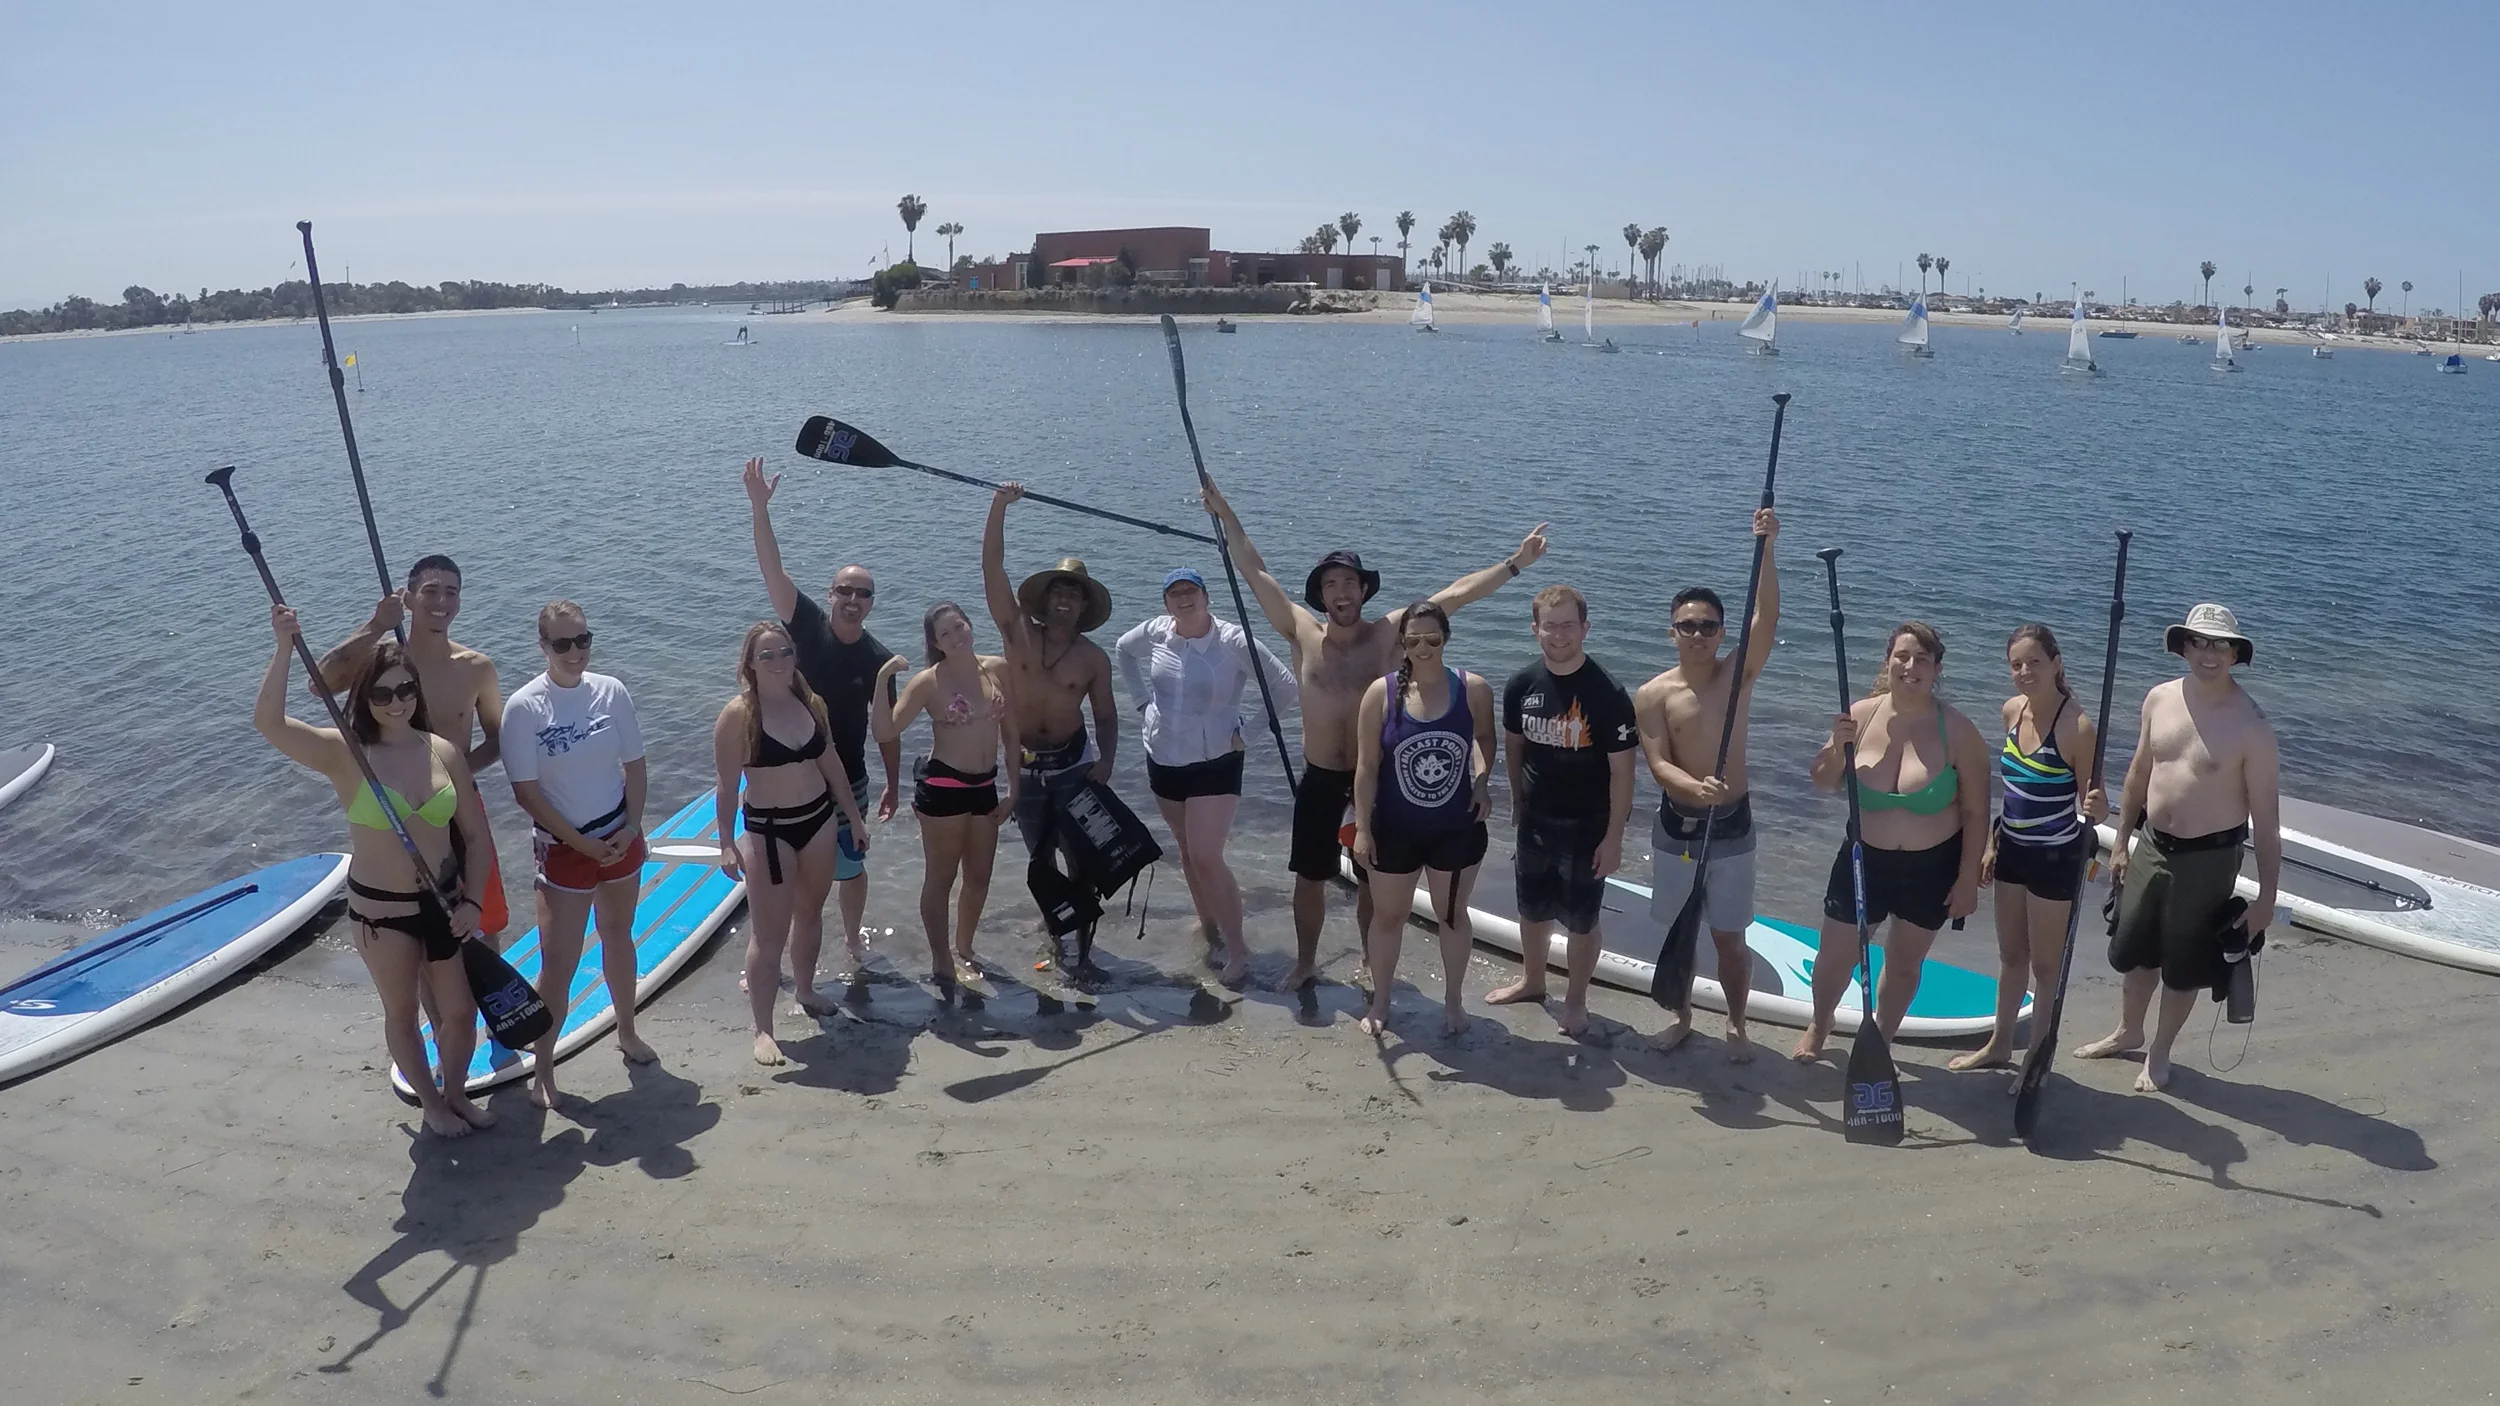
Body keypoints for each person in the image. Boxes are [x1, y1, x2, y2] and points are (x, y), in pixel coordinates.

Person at [1198, 474, 1547, 990]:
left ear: (1364, 590)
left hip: (1378, 778)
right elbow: (1254, 571)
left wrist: (1515, 564)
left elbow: (1455, 596)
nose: (1341, 592)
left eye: (1350, 583)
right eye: (1331, 584)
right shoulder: (1301, 630)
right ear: (1320, 595)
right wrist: (1227, 516)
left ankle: (1369, 957)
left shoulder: (1392, 634)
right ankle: (1306, 961)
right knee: (1309, 875)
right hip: (1321, 775)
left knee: (1373, 876)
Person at [256, 605, 494, 1139]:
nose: (397, 702)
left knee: (458, 1014)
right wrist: (282, 647)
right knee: (403, 1013)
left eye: (406, 690)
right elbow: (268, 723)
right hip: (380, 912)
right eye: (382, 693)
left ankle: (456, 1094)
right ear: (363, 697)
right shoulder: (345, 753)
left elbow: (475, 838)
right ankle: (431, 1106)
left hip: (444, 904)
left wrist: (474, 903)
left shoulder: (443, 752)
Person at [2078, 604, 2280, 1092]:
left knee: (2185, 961)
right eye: (2199, 643)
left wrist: (2267, 900)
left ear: (2235, 654)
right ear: (2184, 646)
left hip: (2209, 858)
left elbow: (2268, 822)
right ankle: (2129, 1030)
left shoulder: (2252, 727)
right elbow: (2138, 772)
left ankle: (2161, 1052)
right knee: (2133, 947)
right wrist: (2121, 842)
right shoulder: (2159, 699)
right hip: (2150, 843)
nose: (2208, 654)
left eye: (2220, 645)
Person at [1794, 621, 1992, 1061]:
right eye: (1902, 656)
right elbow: (1823, 782)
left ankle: (1880, 1039)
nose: (1911, 666)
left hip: (1931, 868)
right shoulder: (1860, 716)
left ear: (1937, 668)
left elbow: (1977, 812)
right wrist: (1833, 749)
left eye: (1923, 659)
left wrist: (1966, 880)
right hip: (1863, 860)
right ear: (1888, 661)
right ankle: (1819, 1025)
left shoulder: (1959, 731)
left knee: (1903, 964)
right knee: (1833, 960)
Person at [1633, 507, 1780, 1058]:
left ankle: (1737, 1025)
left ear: (1721, 632)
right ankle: (1683, 1017)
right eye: (1688, 626)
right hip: (1678, 828)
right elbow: (1658, 763)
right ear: (1672, 631)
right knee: (1680, 932)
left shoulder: (1736, 674)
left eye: (1709, 626)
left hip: (1733, 825)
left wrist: (1767, 548)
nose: (1698, 635)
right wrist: (1692, 789)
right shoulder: (1653, 693)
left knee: (1729, 937)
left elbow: (1766, 618)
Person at [745, 457, 903, 971]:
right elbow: (773, 567)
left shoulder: (879, 659)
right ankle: (778, 959)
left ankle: (853, 940)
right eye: (844, 591)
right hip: (787, 776)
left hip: (847, 778)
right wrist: (759, 508)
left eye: (863, 594)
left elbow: (886, 730)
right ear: (830, 594)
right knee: (785, 874)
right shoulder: (806, 623)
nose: (852, 600)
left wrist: (894, 783)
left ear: (871, 604)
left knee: (850, 868)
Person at [1115, 568, 1298, 988]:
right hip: (1162, 755)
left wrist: (1247, 734)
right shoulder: (1157, 633)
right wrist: (1142, 703)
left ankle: (1238, 950)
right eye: (1174, 593)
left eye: (1191, 592)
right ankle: (1209, 927)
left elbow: (1285, 686)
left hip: (1216, 758)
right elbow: (1123, 652)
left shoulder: (1232, 641)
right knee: (1185, 850)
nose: (1184, 599)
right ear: (1166, 603)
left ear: (1206, 597)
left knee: (1206, 856)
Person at [501, 600, 652, 1107]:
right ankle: (543, 1069)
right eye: (562, 644)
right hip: (565, 849)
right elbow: (527, 793)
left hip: (619, 837)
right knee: (559, 964)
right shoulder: (524, 708)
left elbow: (635, 766)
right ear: (543, 646)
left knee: (618, 936)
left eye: (582, 640)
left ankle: (626, 1032)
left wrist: (632, 827)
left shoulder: (612, 692)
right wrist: (580, 842)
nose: (574, 652)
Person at [317, 554, 510, 940]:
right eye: (430, 591)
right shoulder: (384, 662)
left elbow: (497, 740)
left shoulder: (476, 666)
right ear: (408, 599)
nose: (441, 602)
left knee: (484, 918)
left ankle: (490, 993)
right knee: (419, 919)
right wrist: (376, 625)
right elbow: (321, 681)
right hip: (397, 801)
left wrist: (457, 771)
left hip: (458, 800)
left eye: (451, 592)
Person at [1948, 625, 2109, 1072]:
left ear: (2056, 664)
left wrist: (2100, 804)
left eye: (2034, 662)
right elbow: (2013, 794)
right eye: (2016, 664)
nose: (2024, 672)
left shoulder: (2077, 727)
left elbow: (2093, 804)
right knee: (2011, 956)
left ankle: (2038, 1058)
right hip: (2012, 852)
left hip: (2055, 859)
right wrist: (1989, 847)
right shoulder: (2011, 712)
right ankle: (2000, 1045)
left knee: (2044, 966)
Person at [713, 622, 871, 1065]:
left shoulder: (811, 702)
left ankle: (805, 989)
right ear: (750, 663)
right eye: (767, 655)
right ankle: (763, 1030)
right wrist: (726, 842)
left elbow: (832, 763)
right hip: (768, 830)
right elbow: (726, 786)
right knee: (768, 933)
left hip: (818, 821)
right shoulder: (738, 715)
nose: (779, 661)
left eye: (785, 652)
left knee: (810, 913)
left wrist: (854, 817)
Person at [1486, 585, 1639, 1038]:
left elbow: (1624, 774)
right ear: (1535, 630)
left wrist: (1614, 838)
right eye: (1549, 626)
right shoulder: (1521, 684)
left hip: (1587, 826)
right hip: (1536, 821)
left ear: (1585, 629)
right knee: (1532, 911)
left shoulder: (1607, 692)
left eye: (1568, 625)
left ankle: (1575, 1000)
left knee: (1581, 921)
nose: (1558, 635)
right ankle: (1533, 982)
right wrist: (1516, 798)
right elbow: (1514, 747)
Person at [980, 483, 1119, 971]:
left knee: (1082, 857)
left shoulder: (1093, 658)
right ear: (1045, 598)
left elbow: (1105, 713)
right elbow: (993, 571)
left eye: (1073, 595)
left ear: (1084, 606)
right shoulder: (1017, 635)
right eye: (1059, 591)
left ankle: (1083, 945)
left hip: (1074, 767)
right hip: (1025, 767)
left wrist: (1106, 761)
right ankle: (1054, 931)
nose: (1065, 599)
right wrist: (999, 507)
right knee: (1041, 860)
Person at [1350, 603, 1494, 1037]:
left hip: (1456, 829)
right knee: (1388, 917)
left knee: (1452, 916)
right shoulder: (1381, 692)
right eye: (1413, 640)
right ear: (1403, 644)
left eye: (1432, 639)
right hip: (1394, 830)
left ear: (1445, 638)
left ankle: (1453, 1003)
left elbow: (1485, 738)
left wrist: (1483, 781)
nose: (1423, 648)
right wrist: (1361, 828)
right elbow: (1367, 766)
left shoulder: (1473, 689)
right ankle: (1381, 1001)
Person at [873, 602, 1017, 998]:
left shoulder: (998, 669)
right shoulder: (927, 682)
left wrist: (1014, 788)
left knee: (979, 877)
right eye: (946, 634)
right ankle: (942, 958)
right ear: (935, 644)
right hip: (944, 786)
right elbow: (886, 730)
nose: (957, 636)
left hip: (985, 786)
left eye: (960, 626)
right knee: (942, 877)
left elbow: (1012, 734)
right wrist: (884, 676)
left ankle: (965, 947)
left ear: (970, 625)